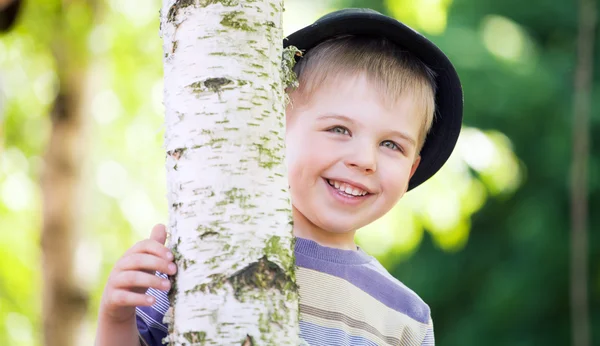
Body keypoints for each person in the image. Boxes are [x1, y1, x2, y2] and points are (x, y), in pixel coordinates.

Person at [95, 8, 463, 346]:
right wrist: (116, 317)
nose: (364, 160)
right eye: (338, 129)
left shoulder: (405, 318)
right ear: (276, 127)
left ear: (412, 169)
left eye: (391, 145)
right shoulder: (205, 254)